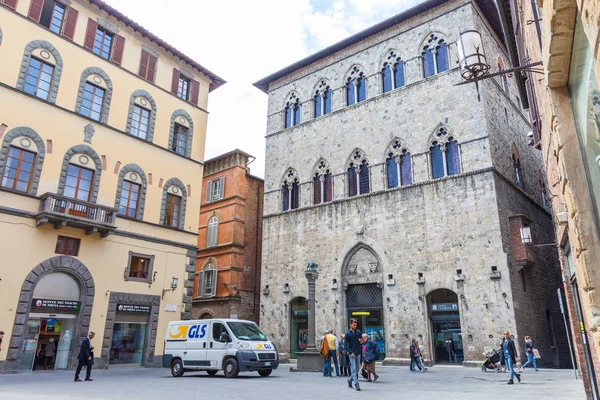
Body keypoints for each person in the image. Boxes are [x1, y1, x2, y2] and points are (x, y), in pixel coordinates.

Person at [344, 318, 362, 391]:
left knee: (357, 369)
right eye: (354, 325)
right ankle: (356, 384)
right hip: (352, 354)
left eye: (356, 325)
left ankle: (350, 379)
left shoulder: (359, 332)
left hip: (358, 352)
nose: (355, 326)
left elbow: (361, 340)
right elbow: (345, 345)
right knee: (353, 369)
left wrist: (361, 341)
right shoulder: (347, 334)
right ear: (350, 324)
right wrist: (350, 352)